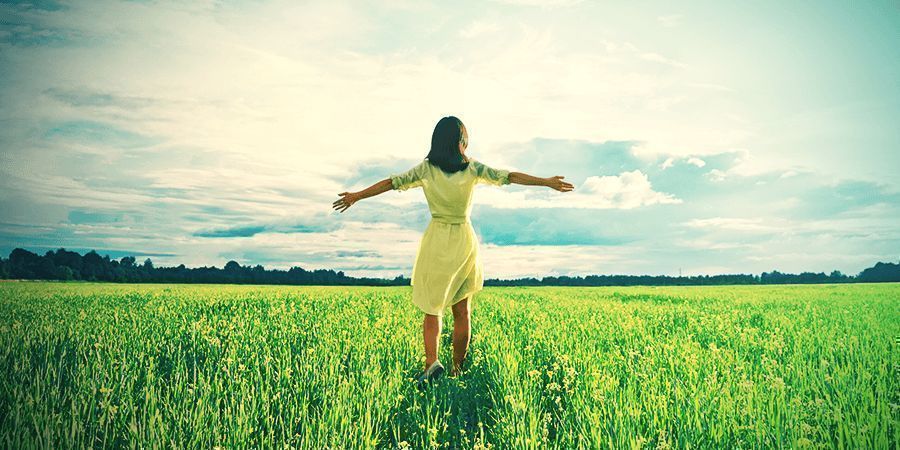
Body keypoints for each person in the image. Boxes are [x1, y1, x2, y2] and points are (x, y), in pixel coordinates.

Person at [332, 116, 574, 387]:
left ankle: (431, 362)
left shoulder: (425, 170)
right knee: (462, 310)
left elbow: (391, 182)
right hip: (463, 240)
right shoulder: (472, 169)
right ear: (461, 142)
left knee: (432, 308)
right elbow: (509, 176)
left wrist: (356, 196)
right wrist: (546, 182)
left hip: (437, 240)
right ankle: (458, 370)